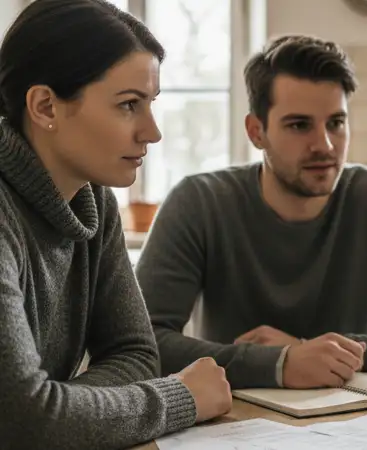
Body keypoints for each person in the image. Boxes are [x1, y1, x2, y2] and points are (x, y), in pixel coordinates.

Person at [136, 34, 367, 390]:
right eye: (299, 125)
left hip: (353, 419)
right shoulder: (199, 202)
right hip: (230, 419)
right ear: (256, 131)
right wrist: (279, 363)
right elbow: (142, 343)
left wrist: (312, 354)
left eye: (336, 123)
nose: (324, 145)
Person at [0, 1, 234, 448]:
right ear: (45, 105)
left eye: (150, 104)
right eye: (129, 105)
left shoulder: (93, 200)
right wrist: (181, 396)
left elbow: (137, 354)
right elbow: (24, 421)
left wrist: (54, 410)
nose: (152, 132)